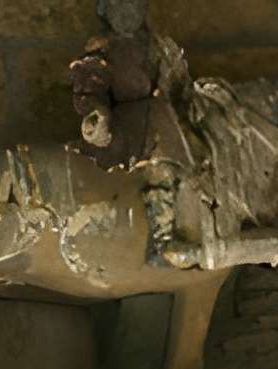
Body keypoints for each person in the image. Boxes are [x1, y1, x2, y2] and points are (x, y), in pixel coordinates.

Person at [69, 0, 201, 268]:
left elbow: (179, 83)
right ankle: (162, 240)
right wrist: (99, 117)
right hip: (128, 127)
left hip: (167, 121)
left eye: (134, 4)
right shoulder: (101, 50)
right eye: (120, 6)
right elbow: (89, 93)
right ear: (107, 12)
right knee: (159, 168)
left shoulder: (160, 46)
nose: (128, 12)